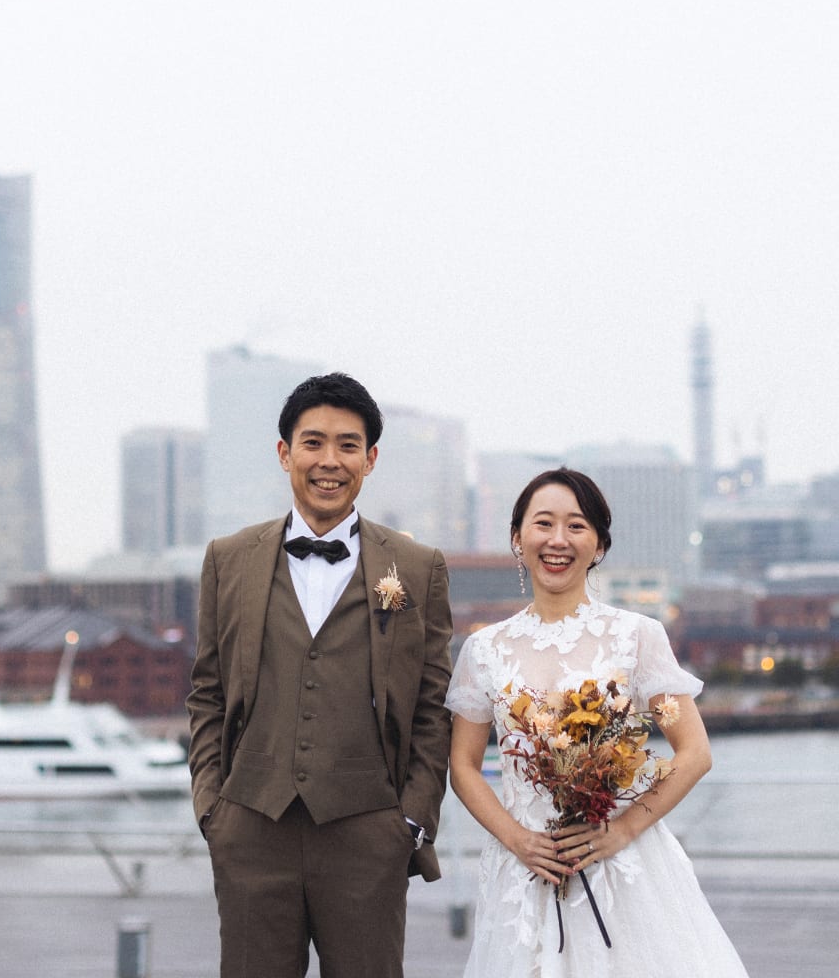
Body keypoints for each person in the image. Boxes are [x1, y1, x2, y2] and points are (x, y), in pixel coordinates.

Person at [187, 372, 453, 978]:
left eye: (347, 445)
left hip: (369, 834)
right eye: (313, 443)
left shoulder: (417, 566)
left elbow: (433, 707)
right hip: (250, 828)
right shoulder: (228, 560)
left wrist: (410, 822)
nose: (329, 461)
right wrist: (213, 810)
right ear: (285, 453)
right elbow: (207, 692)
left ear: (371, 458)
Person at [447, 468, 749, 977]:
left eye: (577, 526)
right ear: (517, 538)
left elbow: (695, 753)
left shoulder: (637, 635)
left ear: (599, 544)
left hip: (619, 864)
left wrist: (621, 830)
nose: (558, 540)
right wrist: (519, 840)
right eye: (543, 524)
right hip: (523, 870)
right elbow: (463, 766)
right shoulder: (484, 649)